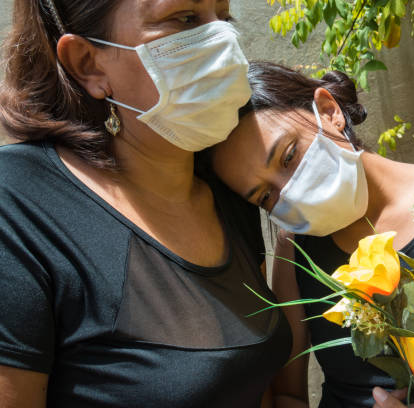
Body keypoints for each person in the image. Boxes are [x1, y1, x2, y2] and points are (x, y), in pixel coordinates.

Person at [0, 1, 291, 407]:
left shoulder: (223, 187)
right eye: (185, 19)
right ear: (89, 64)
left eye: (224, 18)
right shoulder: (17, 202)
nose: (224, 42)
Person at [211, 62, 414, 408]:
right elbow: (288, 394)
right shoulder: (295, 253)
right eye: (265, 196)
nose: (289, 191)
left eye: (289, 156)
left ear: (329, 111)